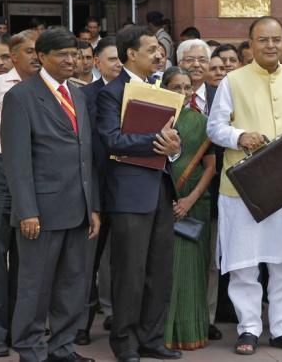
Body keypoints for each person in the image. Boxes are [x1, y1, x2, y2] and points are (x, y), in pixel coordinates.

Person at [207, 15, 282, 355]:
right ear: (251, 44)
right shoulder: (233, 81)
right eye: (263, 40)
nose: (270, 45)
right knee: (244, 264)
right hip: (243, 190)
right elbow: (214, 128)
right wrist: (240, 135)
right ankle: (248, 329)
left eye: (276, 39)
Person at [1, 27, 100, 362]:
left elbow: (87, 155)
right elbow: (16, 161)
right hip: (40, 213)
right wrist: (27, 210)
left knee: (73, 286)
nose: (72, 60)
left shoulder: (80, 94)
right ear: (41, 57)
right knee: (35, 286)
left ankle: (62, 346)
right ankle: (30, 349)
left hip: (79, 209)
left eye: (74, 53)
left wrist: (94, 207)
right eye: (63, 54)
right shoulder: (21, 97)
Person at [96, 25, 182, 362]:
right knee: (129, 272)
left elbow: (172, 141)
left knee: (159, 269)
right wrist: (155, 142)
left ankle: (152, 337)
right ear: (131, 54)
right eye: (151, 50)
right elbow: (111, 139)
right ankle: (125, 341)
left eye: (160, 50)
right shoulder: (111, 92)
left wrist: (173, 147)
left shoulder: (160, 88)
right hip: (129, 194)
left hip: (160, 188)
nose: (159, 54)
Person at [0, 29, 39, 358]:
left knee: (27, 257)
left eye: (39, 51)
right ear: (15, 54)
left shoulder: (43, 88)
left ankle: (23, 329)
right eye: (30, 51)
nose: (36, 56)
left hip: (34, 174)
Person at [161, 67, 216, 350]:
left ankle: (193, 330)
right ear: (164, 89)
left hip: (194, 204)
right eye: (175, 87)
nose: (181, 92)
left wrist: (189, 200)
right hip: (161, 203)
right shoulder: (152, 120)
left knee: (193, 269)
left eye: (186, 87)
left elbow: (210, 167)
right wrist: (169, 198)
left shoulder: (202, 122)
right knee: (165, 269)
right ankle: (163, 334)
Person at [74, 36, 122, 346]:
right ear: (97, 63)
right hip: (94, 188)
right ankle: (80, 323)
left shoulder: (137, 92)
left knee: (123, 260)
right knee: (85, 262)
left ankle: (120, 317)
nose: (118, 64)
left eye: (122, 59)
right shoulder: (83, 96)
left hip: (128, 189)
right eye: (112, 59)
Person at [177, 39, 215, 115]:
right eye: (190, 60)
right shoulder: (168, 94)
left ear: (209, 64)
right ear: (179, 63)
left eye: (202, 60)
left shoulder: (218, 95)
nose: (196, 65)